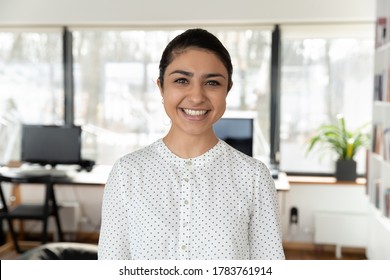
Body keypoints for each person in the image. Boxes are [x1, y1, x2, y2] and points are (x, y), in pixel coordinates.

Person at [98, 28, 285, 260]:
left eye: (212, 83)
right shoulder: (127, 173)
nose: (196, 97)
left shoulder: (254, 178)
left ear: (228, 89)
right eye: (181, 80)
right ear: (161, 87)